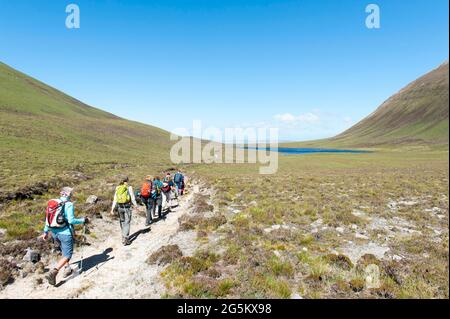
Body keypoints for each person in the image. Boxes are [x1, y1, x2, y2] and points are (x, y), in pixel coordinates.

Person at [41, 187, 88, 286]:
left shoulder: (53, 203)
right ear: (69, 195)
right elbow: (71, 220)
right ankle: (54, 272)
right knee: (67, 255)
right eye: (71, 193)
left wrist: (45, 232)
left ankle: (67, 269)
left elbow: (47, 219)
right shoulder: (69, 204)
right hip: (65, 233)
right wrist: (82, 220)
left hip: (54, 232)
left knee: (63, 250)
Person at [110, 176, 138, 246]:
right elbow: (132, 197)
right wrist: (136, 205)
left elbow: (115, 199)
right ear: (127, 181)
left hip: (119, 207)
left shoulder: (118, 187)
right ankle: (126, 238)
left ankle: (123, 237)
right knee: (127, 222)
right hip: (127, 207)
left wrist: (112, 209)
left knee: (122, 222)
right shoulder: (129, 187)